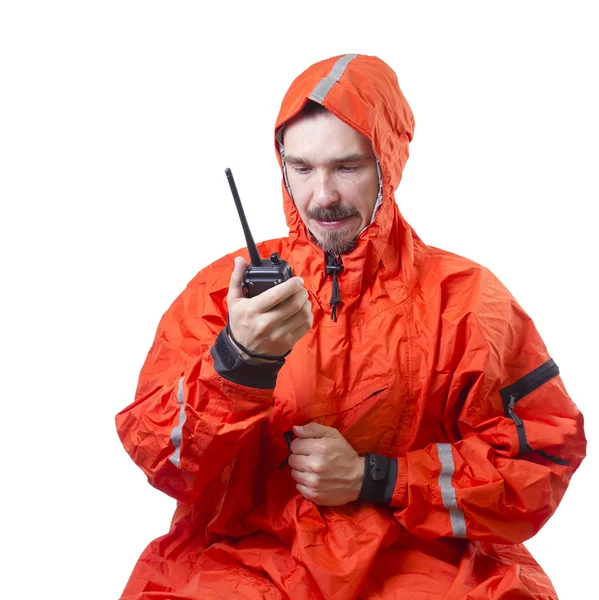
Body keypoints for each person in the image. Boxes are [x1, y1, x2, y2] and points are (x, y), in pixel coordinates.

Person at [115, 54, 586, 599]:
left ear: (389, 162)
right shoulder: (220, 293)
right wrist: (236, 363)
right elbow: (163, 462)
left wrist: (378, 477)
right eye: (302, 168)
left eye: (347, 167)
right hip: (242, 558)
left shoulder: (468, 301)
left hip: (417, 559)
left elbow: (542, 453)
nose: (322, 197)